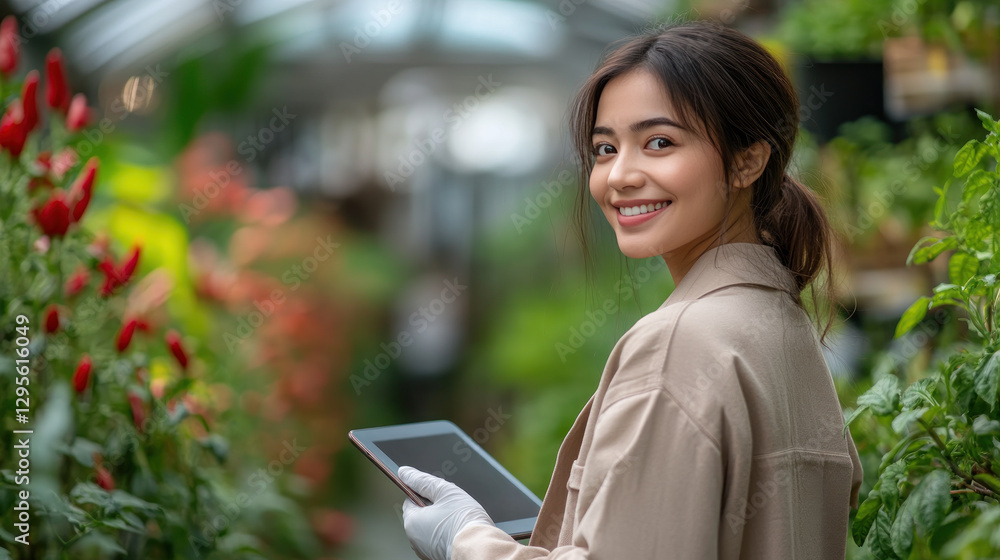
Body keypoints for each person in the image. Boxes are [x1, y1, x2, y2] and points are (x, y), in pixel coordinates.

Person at [397, 20, 863, 560]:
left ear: (748, 161)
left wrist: (466, 540)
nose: (619, 174)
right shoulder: (781, 324)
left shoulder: (680, 343)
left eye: (659, 142)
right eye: (604, 148)